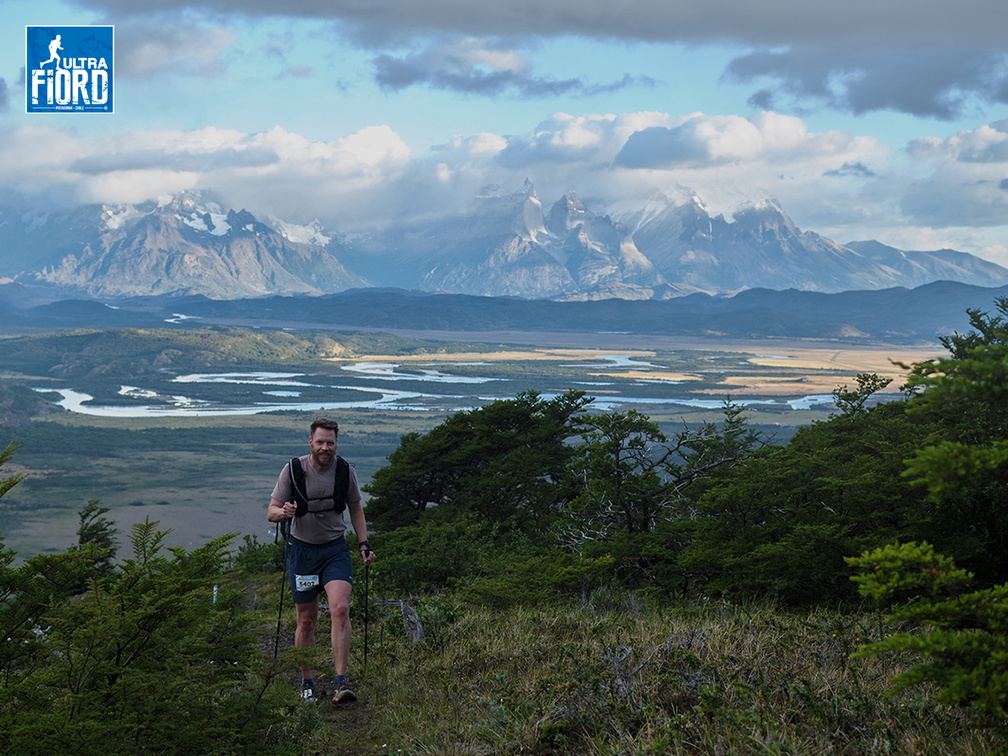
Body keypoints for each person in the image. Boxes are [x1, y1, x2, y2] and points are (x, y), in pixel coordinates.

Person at [267, 416, 375, 703]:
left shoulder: (345, 471)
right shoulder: (293, 470)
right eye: (320, 442)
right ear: (310, 442)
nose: (325, 447)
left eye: (330, 443)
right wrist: (284, 512)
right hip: (303, 552)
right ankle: (307, 682)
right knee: (306, 620)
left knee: (340, 609)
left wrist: (363, 544)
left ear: (336, 444)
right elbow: (271, 512)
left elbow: (356, 509)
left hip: (335, 550)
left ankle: (341, 682)